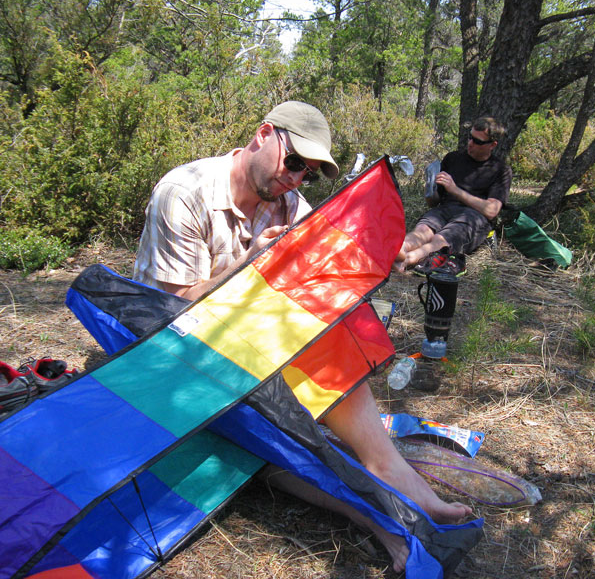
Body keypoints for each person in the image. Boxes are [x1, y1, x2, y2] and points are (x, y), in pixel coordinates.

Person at [133, 101, 471, 572]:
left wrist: (374, 258)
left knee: (329, 342)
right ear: (263, 134)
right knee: (271, 428)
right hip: (183, 353)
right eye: (293, 163)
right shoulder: (183, 192)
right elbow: (170, 309)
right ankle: (380, 517)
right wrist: (246, 264)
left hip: (253, 339)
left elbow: (319, 275)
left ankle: (392, 472)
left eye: (308, 174)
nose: (295, 180)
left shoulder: (288, 202)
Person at [395, 116, 512, 276]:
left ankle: (408, 259)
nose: (471, 143)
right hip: (444, 209)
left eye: (478, 141)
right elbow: (434, 201)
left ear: (492, 145)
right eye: (470, 137)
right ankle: (399, 250)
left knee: (443, 238)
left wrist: (455, 190)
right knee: (422, 230)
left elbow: (491, 210)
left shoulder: (500, 170)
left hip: (473, 217)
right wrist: (431, 189)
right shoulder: (453, 158)